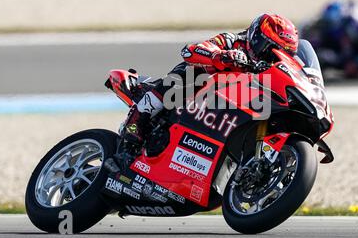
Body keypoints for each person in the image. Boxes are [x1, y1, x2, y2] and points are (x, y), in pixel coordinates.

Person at [122, 13, 299, 145]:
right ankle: (137, 120)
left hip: (225, 111)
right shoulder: (232, 41)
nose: (271, 57)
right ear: (256, 37)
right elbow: (190, 50)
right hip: (197, 96)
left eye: (280, 54)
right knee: (192, 72)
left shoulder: (268, 71)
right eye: (270, 49)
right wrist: (221, 56)